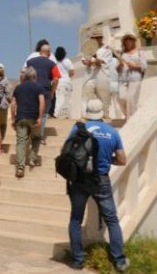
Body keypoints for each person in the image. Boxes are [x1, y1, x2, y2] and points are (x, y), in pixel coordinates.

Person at [67, 99, 129, 272]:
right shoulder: (111, 132)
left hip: (79, 180)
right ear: (102, 113)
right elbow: (122, 159)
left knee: (76, 219)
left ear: (88, 113)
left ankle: (78, 260)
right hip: (100, 180)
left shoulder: (77, 129)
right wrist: (108, 160)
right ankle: (119, 260)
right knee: (112, 220)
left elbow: (66, 152)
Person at [10, 67, 45, 178]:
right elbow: (42, 102)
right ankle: (32, 159)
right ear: (34, 76)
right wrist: (40, 117)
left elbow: (13, 104)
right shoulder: (38, 88)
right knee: (37, 138)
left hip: (20, 118)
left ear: (25, 76)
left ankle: (20, 167)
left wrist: (12, 118)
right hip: (34, 118)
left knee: (21, 142)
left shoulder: (18, 88)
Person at [25, 44, 55, 144]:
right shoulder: (52, 64)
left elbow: (24, 74)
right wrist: (52, 91)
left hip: (31, 90)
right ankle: (39, 136)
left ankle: (29, 135)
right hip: (45, 91)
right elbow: (56, 79)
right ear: (49, 53)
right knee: (44, 114)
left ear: (40, 52)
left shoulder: (30, 62)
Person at [82, 29, 113, 118]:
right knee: (87, 94)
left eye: (97, 37)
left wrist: (95, 57)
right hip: (89, 76)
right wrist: (88, 61)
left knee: (103, 96)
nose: (95, 39)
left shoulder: (107, 50)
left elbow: (101, 63)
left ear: (101, 38)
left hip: (102, 75)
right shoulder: (88, 49)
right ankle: (87, 115)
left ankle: (105, 115)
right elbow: (84, 61)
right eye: (93, 38)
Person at [117, 34, 147, 119]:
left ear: (133, 41)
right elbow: (117, 69)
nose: (128, 42)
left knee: (130, 98)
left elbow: (144, 66)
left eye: (130, 40)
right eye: (126, 40)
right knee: (120, 97)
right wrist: (120, 65)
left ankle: (132, 117)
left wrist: (135, 65)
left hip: (135, 78)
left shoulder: (139, 52)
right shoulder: (122, 53)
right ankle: (127, 114)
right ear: (124, 42)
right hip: (123, 79)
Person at [53, 46, 75, 119]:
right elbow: (72, 72)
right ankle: (67, 115)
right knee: (68, 99)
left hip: (59, 82)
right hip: (67, 82)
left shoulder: (54, 62)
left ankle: (57, 114)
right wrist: (68, 76)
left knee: (59, 99)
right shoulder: (67, 61)